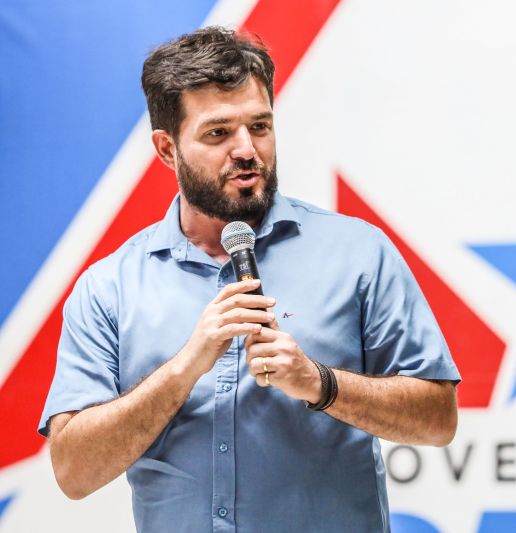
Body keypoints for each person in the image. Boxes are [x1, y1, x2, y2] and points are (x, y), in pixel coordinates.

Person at [38, 26, 460, 532]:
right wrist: (184, 368)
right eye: (218, 133)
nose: (247, 150)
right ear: (167, 149)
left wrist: (318, 383)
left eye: (259, 126)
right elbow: (73, 472)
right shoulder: (110, 287)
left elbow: (438, 421)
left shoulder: (358, 254)